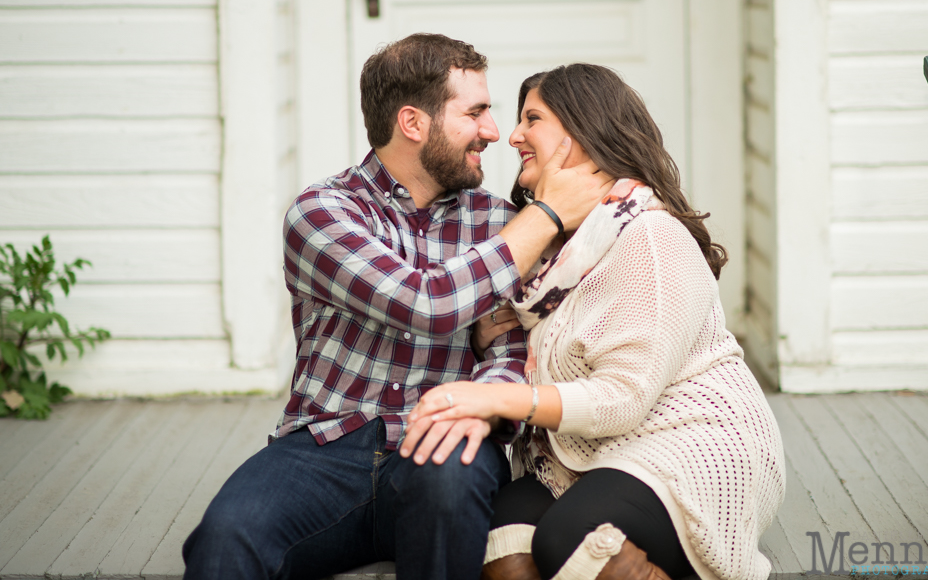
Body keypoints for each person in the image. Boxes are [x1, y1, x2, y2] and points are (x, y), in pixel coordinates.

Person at [181, 35, 613, 580]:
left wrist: (481, 400)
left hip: (445, 432)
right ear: (413, 123)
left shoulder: (500, 222)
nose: (493, 131)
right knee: (225, 536)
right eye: (475, 112)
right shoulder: (322, 214)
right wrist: (546, 216)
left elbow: (510, 346)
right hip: (326, 444)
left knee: (450, 489)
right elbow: (422, 303)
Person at [405, 64, 786, 580]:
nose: (513, 135)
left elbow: (623, 398)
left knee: (572, 534)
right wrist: (484, 334)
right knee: (499, 538)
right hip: (586, 456)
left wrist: (493, 398)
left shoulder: (649, 236)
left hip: (693, 441)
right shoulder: (554, 251)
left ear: (584, 132)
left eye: (531, 119)